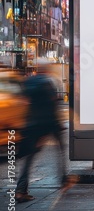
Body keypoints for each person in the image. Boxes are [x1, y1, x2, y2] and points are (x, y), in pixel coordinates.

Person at [15, 61, 67, 203]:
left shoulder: (28, 81)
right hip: (49, 123)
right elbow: (53, 103)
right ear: (47, 69)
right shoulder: (48, 82)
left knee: (30, 157)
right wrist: (58, 123)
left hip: (32, 123)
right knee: (61, 150)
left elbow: (23, 101)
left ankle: (20, 190)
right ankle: (64, 180)